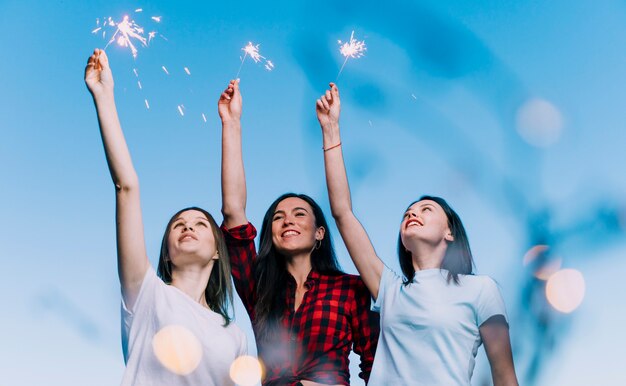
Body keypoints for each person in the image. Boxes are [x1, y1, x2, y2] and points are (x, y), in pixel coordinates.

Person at [316, 82, 519, 386]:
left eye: (426, 210)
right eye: (408, 213)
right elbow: (342, 213)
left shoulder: (482, 290)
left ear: (450, 232)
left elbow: (504, 376)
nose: (412, 214)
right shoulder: (391, 291)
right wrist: (330, 129)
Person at [85, 49, 246, 385]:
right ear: (166, 251)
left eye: (201, 224)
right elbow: (126, 187)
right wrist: (104, 96)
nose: (188, 226)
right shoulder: (147, 295)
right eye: (178, 225)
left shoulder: (234, 336)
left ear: (218, 250)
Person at [217, 79, 379, 385]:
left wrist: (331, 128)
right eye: (278, 217)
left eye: (299, 214)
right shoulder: (259, 286)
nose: (288, 221)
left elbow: (376, 366)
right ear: (271, 234)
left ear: (319, 233)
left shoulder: (352, 289)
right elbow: (232, 213)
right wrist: (231, 122)